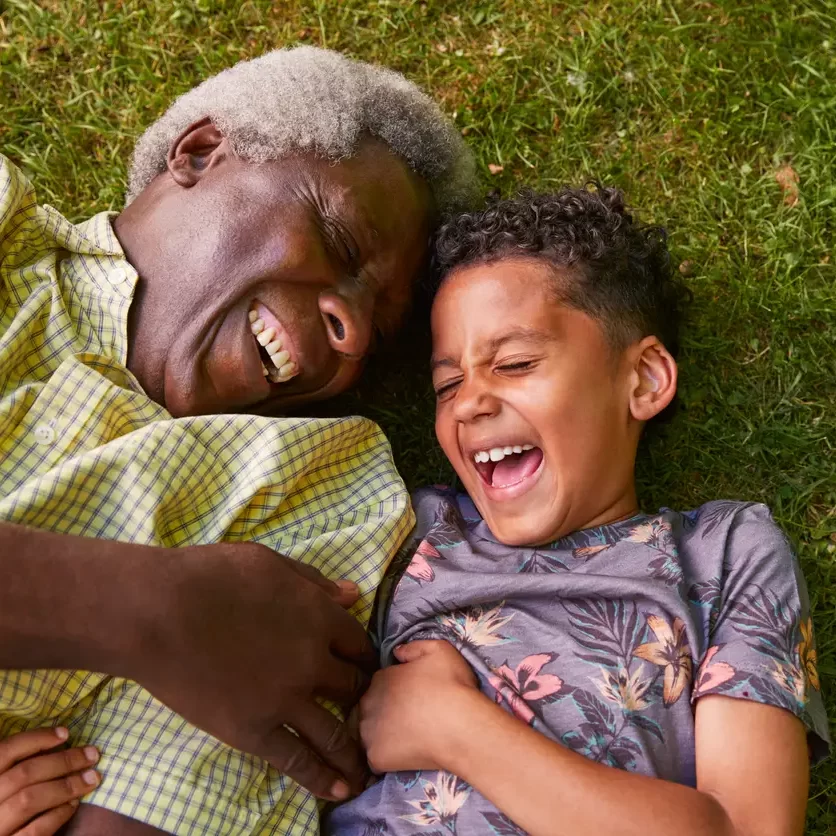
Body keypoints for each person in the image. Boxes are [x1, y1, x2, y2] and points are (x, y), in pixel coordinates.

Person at [0, 46, 477, 835]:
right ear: (199, 152)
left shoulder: (319, 495)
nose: (351, 330)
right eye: (339, 238)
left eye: (380, 329)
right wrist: (150, 608)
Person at [327, 187, 830, 836]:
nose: (469, 402)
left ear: (644, 380)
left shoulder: (729, 553)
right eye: (447, 384)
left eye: (514, 363)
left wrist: (455, 728)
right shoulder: (408, 530)